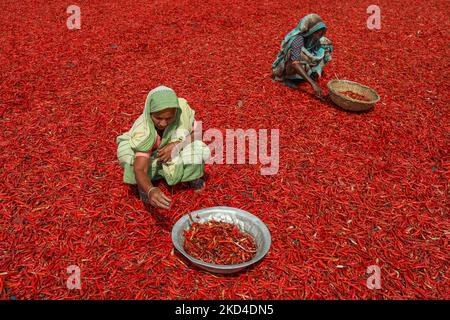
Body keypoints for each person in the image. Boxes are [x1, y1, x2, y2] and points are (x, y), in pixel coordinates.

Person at [116, 86, 210, 209]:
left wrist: (177, 145)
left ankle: (192, 176)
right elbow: (140, 168)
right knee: (129, 158)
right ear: (150, 112)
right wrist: (150, 190)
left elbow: (197, 133)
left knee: (197, 147)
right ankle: (143, 186)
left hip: (172, 150)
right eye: (158, 118)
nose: (164, 123)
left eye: (169, 118)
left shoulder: (181, 112)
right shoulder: (143, 130)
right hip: (150, 157)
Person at [272, 13, 333, 98]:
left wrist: (317, 69)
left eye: (321, 32)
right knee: (294, 55)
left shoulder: (316, 40)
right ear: (310, 31)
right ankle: (287, 78)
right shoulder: (298, 39)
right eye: (317, 32)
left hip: (302, 63)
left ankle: (311, 72)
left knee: (325, 44)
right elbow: (295, 63)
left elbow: (321, 51)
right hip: (287, 66)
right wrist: (313, 84)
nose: (320, 35)